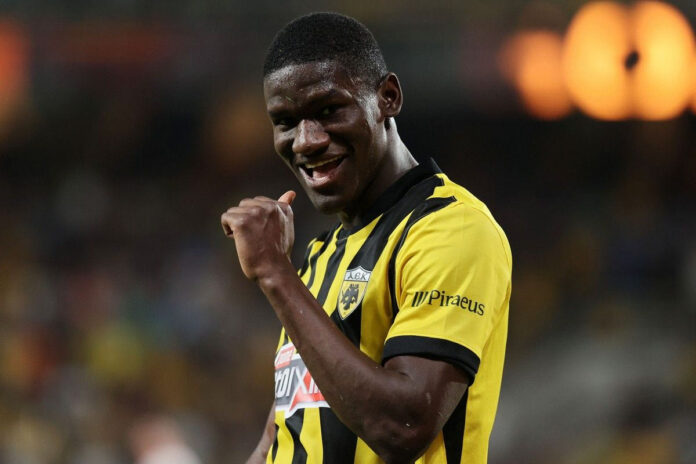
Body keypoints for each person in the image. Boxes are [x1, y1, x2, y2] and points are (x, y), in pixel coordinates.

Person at [221, 12, 512, 464]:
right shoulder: (320, 257)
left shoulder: (451, 229)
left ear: (387, 97)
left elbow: (403, 427)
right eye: (286, 121)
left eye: (328, 111)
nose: (306, 141)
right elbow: (280, 438)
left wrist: (275, 273)